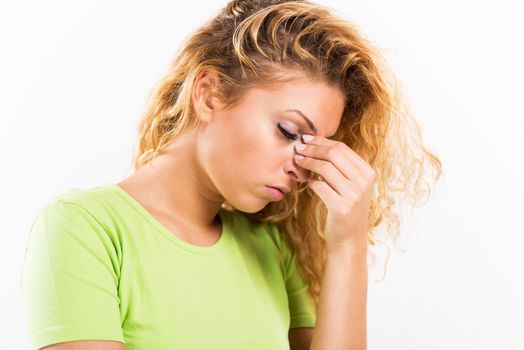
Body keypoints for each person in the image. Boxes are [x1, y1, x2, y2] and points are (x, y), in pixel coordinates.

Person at [20, 0, 442, 349]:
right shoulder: (83, 228)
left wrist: (347, 244)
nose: (302, 163)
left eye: (318, 145)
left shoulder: (272, 247)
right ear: (209, 94)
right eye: (289, 132)